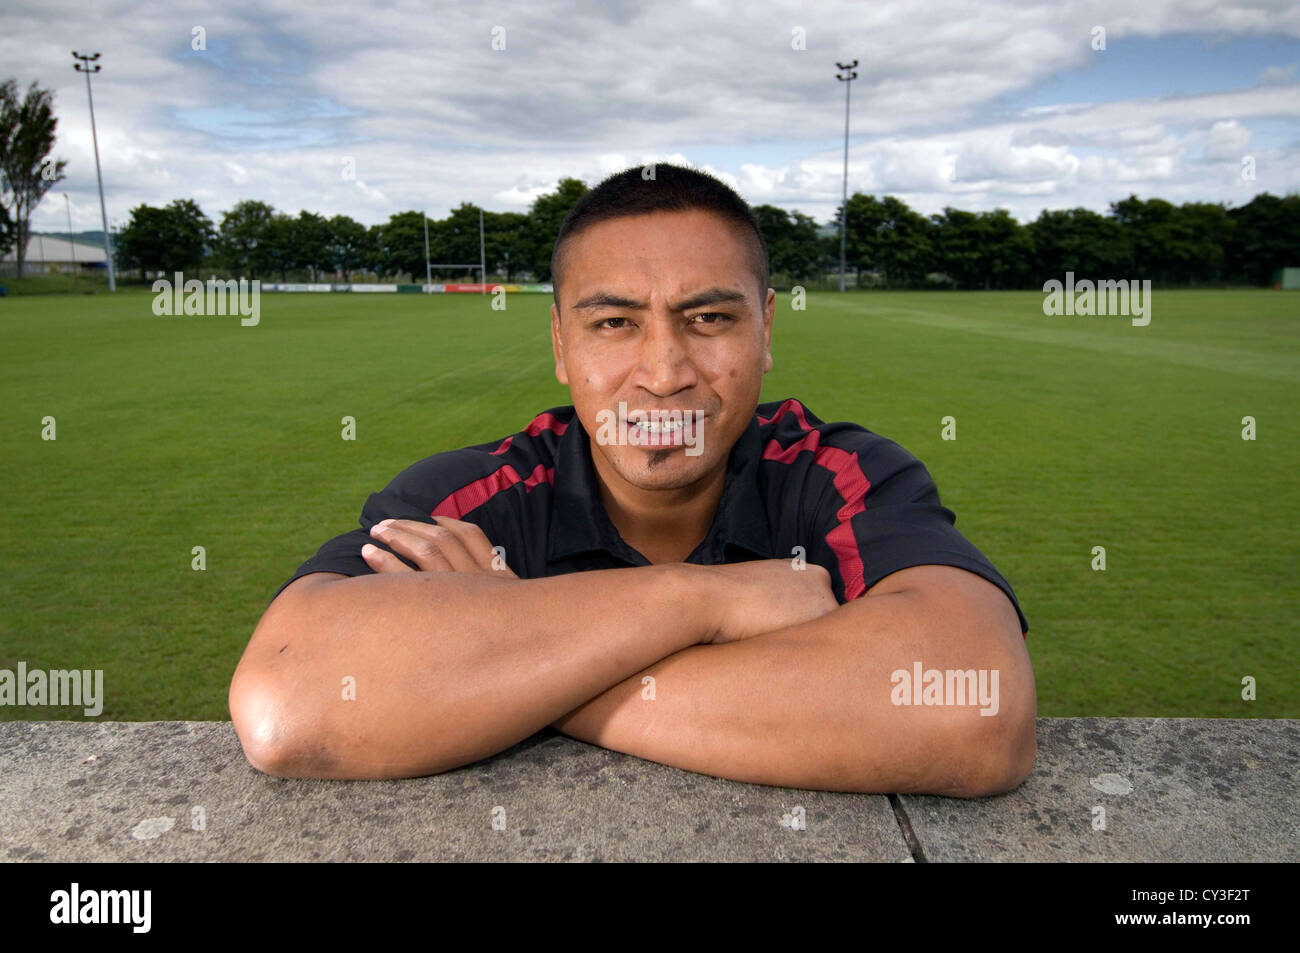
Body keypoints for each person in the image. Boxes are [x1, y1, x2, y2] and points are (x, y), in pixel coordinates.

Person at [229, 163, 1036, 796]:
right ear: (558, 345)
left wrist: (505, 663)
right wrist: (702, 598)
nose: (663, 372)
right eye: (614, 322)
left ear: (766, 332)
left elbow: (975, 703)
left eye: (710, 318)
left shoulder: (838, 473)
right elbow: (286, 701)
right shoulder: (474, 495)